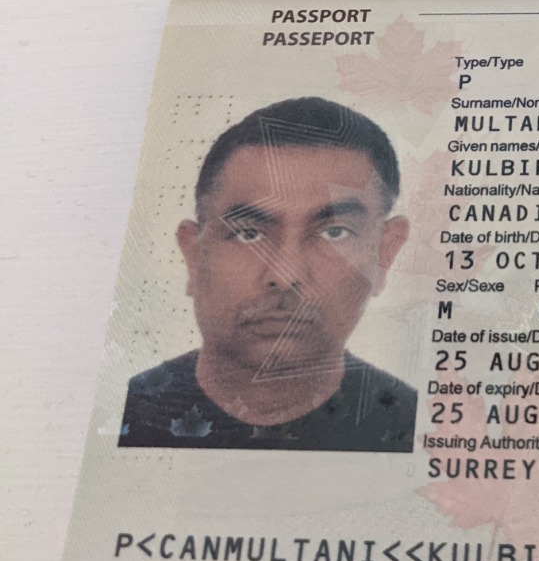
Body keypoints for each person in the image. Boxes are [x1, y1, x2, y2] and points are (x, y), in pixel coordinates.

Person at [120, 97, 417, 451]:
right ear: (194, 256)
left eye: (334, 232)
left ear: (384, 254)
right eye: (249, 234)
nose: (284, 275)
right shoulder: (124, 415)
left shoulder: (420, 427)